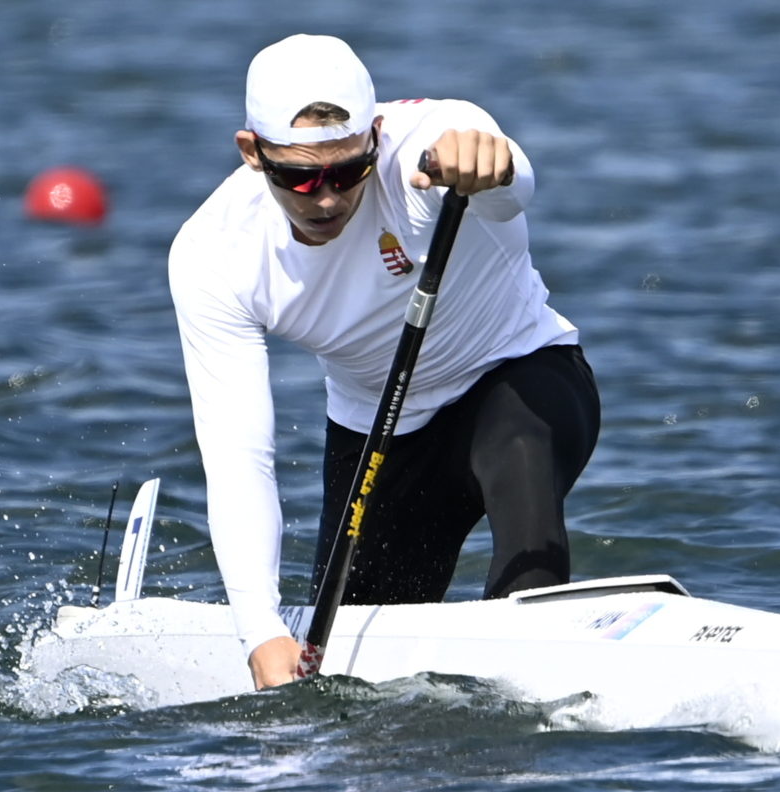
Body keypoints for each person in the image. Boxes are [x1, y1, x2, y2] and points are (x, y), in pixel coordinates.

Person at [169, 34, 600, 689]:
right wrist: (259, 632)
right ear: (252, 153)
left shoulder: (432, 145)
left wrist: (498, 163)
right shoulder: (214, 254)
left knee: (522, 470)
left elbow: (513, 188)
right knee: (346, 679)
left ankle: (530, 722)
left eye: (347, 172)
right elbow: (238, 455)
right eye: (301, 176)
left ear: (376, 136)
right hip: (379, 436)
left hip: (522, 379)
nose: (326, 198)